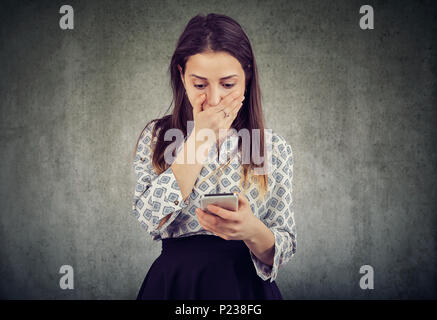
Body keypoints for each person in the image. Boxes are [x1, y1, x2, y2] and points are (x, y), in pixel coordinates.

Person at [132, 13, 296, 300]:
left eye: (228, 84)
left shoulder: (273, 147)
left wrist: (251, 229)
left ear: (247, 75)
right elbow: (149, 219)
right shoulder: (159, 136)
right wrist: (200, 138)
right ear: (182, 75)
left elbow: (282, 250)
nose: (215, 99)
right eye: (200, 85)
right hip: (176, 284)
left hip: (246, 288)